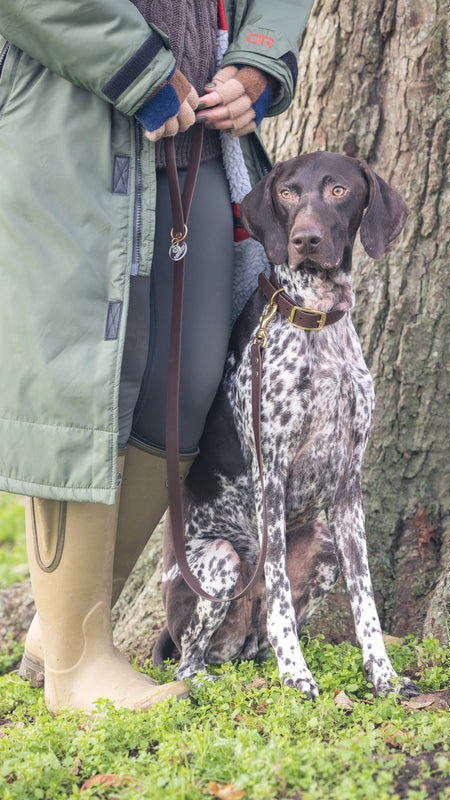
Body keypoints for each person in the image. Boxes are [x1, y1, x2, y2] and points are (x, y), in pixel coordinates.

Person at [0, 0, 314, 714]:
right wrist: (132, 64)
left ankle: (62, 628)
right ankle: (79, 668)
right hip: (69, 119)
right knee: (77, 387)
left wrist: (261, 56)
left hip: (201, 132)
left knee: (190, 383)